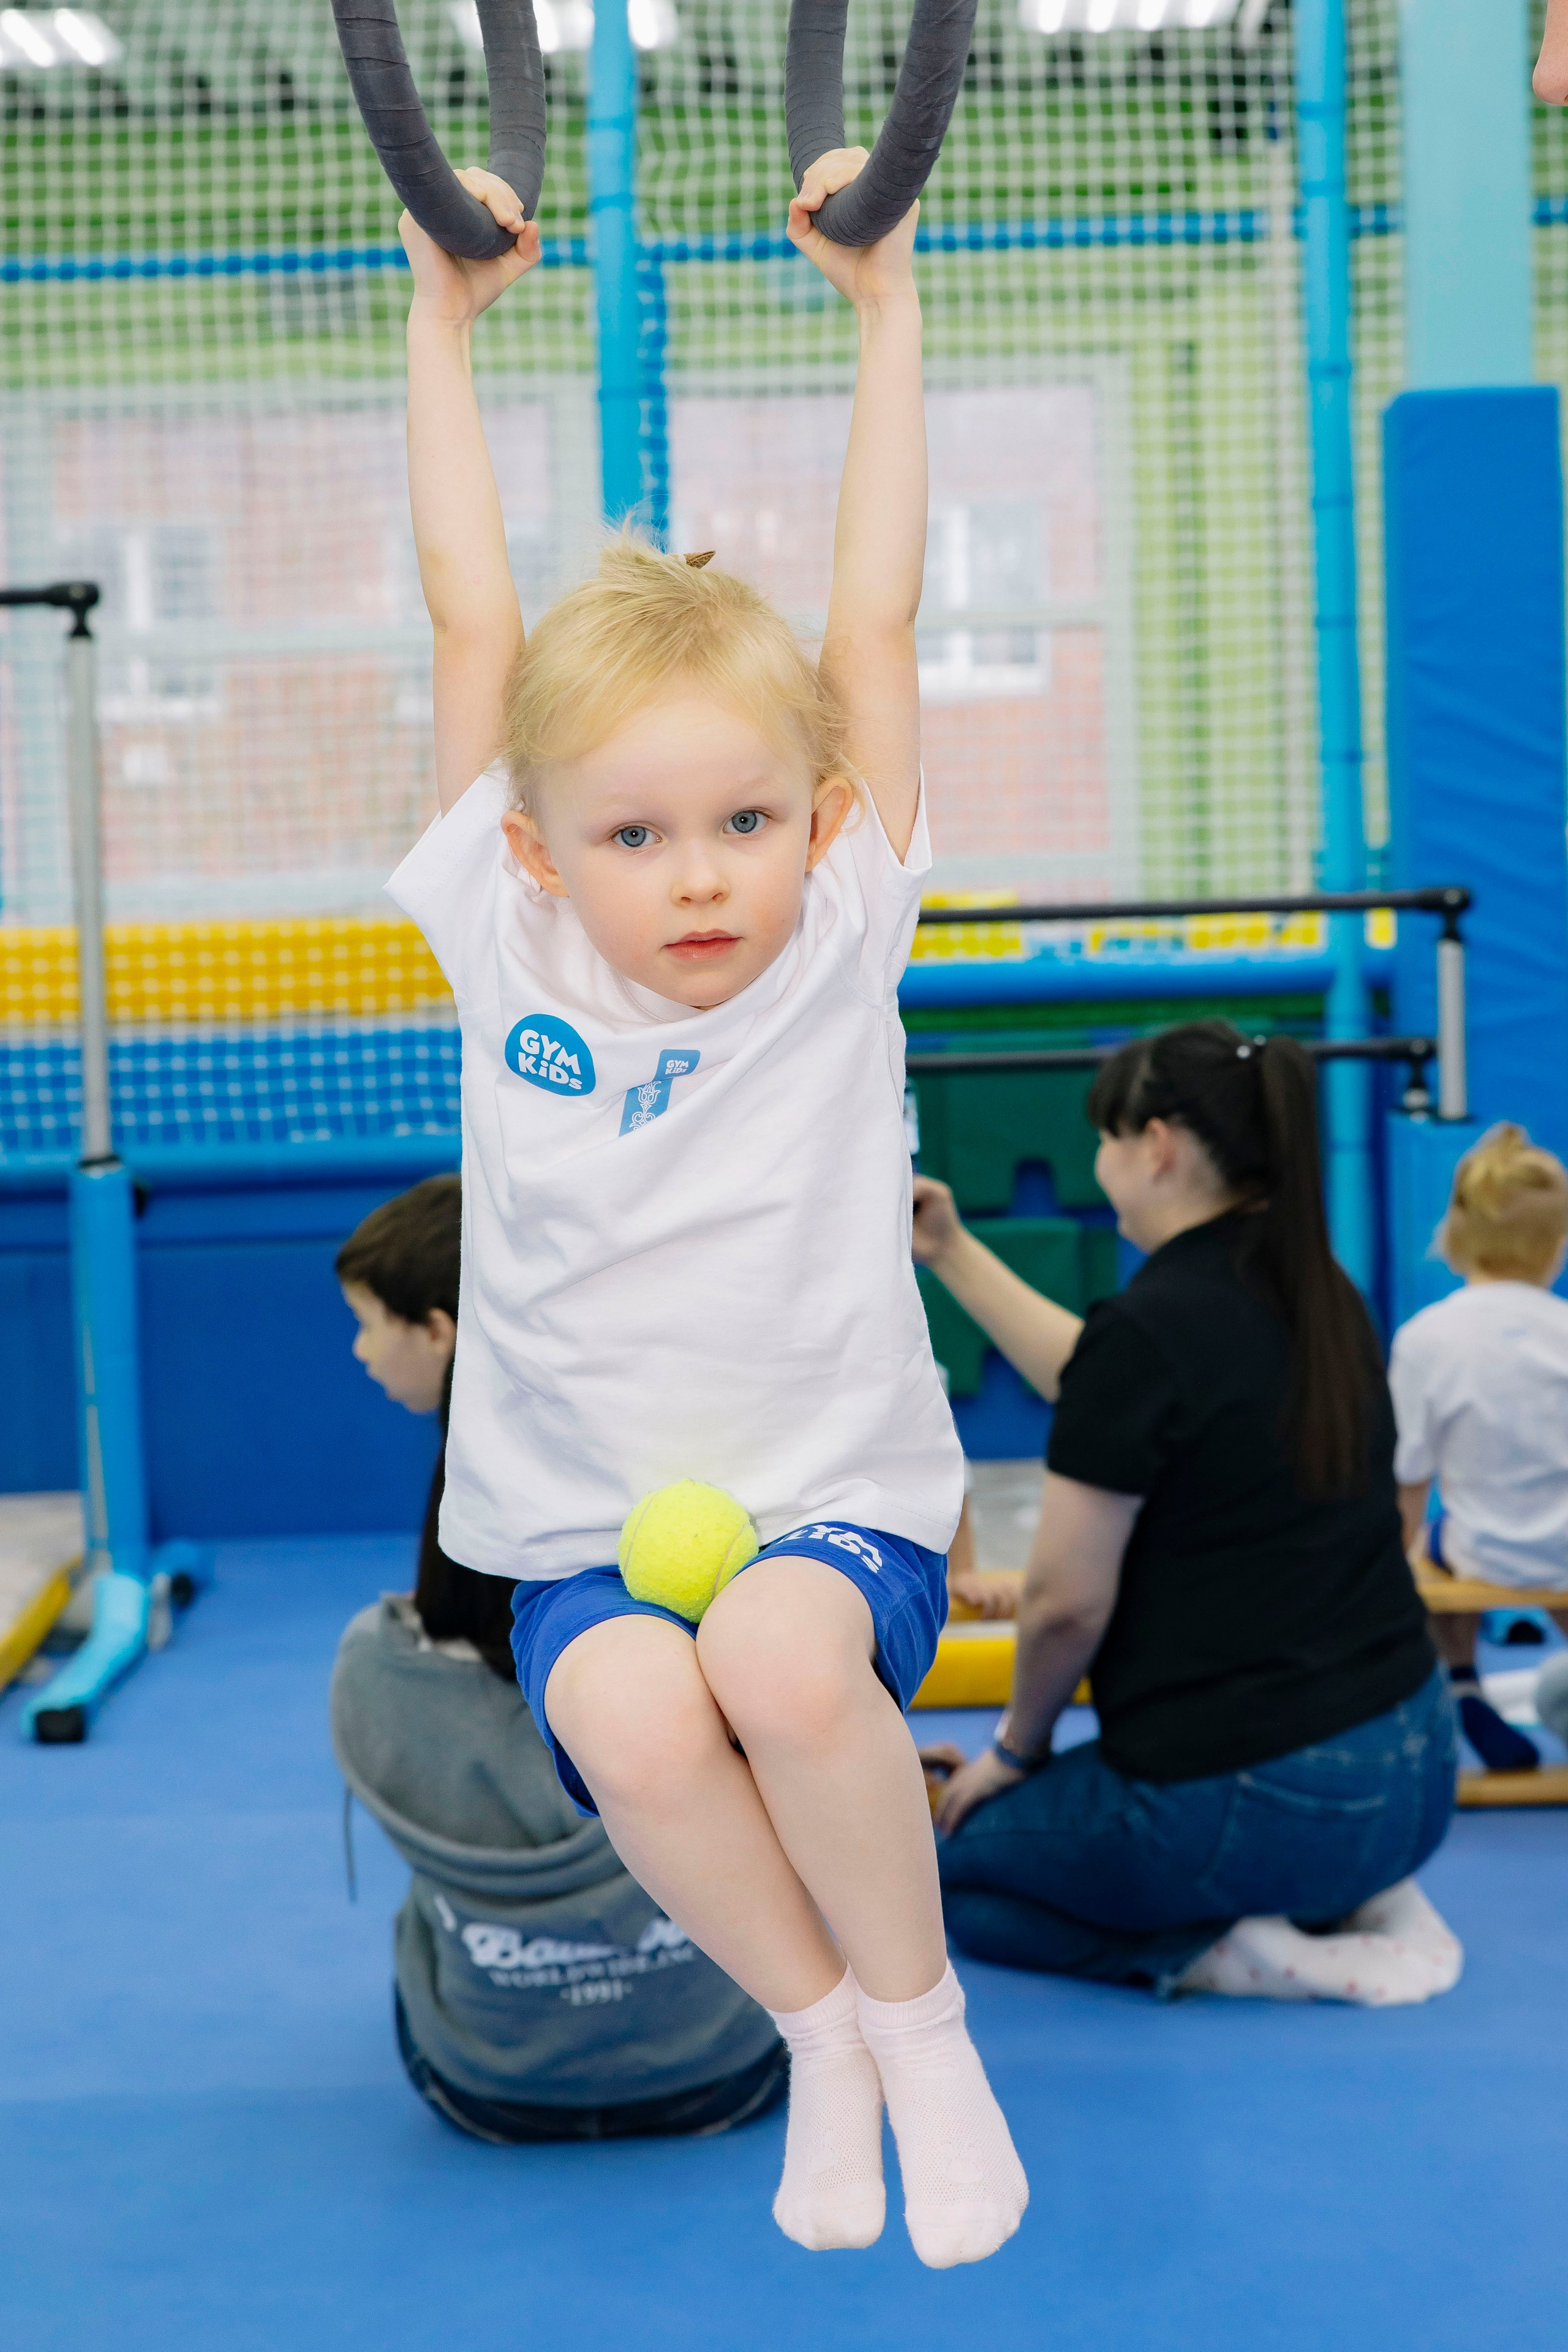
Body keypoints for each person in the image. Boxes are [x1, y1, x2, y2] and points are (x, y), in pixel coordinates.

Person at [383, 153, 1024, 2266]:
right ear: (545, 852)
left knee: (767, 1647)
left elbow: (872, 622)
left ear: (820, 817)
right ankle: (819, 2030)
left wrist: (887, 307)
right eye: (642, 834)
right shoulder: (514, 948)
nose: (703, 874)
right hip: (587, 1521)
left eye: (747, 818)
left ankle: (926, 2036)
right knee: (632, 1718)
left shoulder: (843, 932)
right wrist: (438, 317)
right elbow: (476, 614)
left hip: (828, 1493)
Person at [913, 1020, 1462, 2006]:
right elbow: (1102, 1382)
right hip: (1418, 1780)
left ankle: (1223, 1952)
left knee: (938, 1876)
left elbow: (1064, 1604)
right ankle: (1346, 1898)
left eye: (1106, 1137)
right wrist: (949, 1249)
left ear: (1156, 1145)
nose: (1099, 1160)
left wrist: (1013, 1753)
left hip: (1265, 1801)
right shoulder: (1317, 1291)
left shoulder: (1155, 1329)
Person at [331, 1177, 786, 2141]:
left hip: (483, 2093)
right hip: (732, 2069)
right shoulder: (706, 1644)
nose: (361, 1350)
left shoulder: (379, 1670)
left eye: (370, 1323)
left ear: (442, 1330)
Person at [1389, 1123, 1568, 1772]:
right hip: (1565, 1549)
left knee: (1437, 1541)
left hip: (1481, 1549)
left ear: (1456, 1236)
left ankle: (1462, 1677)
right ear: (1556, 1245)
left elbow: (1408, 1475)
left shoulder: (1427, 1339)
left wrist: (1391, 1577)